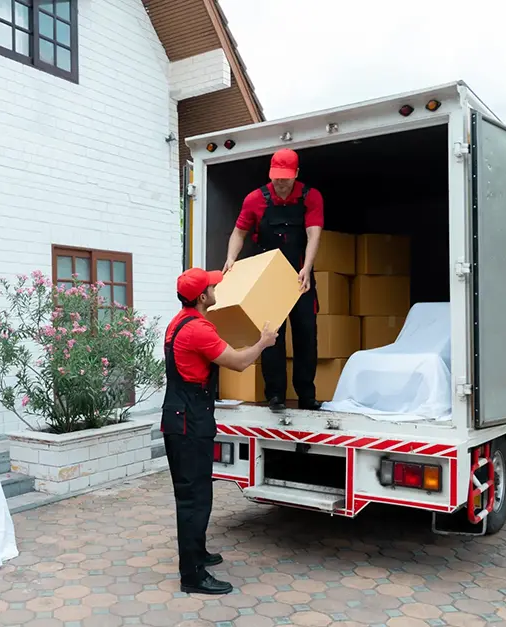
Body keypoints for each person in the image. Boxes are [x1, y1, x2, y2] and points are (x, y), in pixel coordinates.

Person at [162, 267, 277, 595]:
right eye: (212, 287)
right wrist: (263, 343)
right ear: (202, 297)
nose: (216, 289)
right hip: (189, 423)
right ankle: (192, 576)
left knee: (199, 494)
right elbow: (239, 363)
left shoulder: (179, 322)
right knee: (193, 499)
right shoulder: (197, 330)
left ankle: (198, 554)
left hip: (183, 417)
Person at [222, 148, 325, 411]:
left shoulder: (310, 197)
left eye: (286, 178)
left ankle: (306, 395)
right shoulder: (255, 199)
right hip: (267, 280)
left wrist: (308, 268)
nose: (280, 182)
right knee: (271, 337)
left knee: (306, 335)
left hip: (299, 277)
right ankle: (275, 395)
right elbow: (238, 233)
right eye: (276, 177)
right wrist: (231, 259)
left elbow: (314, 235)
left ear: (296, 174)